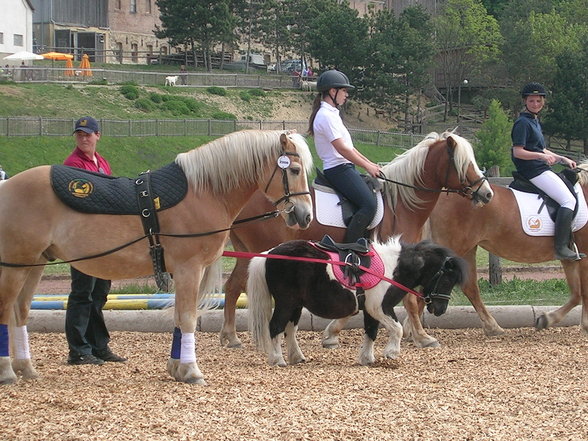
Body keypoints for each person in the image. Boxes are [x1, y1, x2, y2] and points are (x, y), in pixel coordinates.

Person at [64, 116, 127, 365]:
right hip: (83, 238)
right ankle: (78, 349)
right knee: (82, 292)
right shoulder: (74, 164)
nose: (83, 138)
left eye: (87, 134)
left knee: (99, 292)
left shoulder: (101, 163)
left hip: (102, 237)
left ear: (98, 135)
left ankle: (98, 345)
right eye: (80, 134)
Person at [511, 82, 584, 261]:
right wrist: (541, 157)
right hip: (532, 171)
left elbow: (542, 148)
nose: (535, 104)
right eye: (531, 100)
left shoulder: (534, 121)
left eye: (538, 100)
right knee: (567, 200)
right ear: (525, 101)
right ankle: (561, 248)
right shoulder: (522, 123)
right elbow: (518, 151)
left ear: (543, 101)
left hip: (540, 167)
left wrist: (561, 158)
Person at [308, 69, 382, 243]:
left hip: (345, 167)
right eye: (344, 91)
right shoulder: (325, 116)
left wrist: (370, 163)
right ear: (333, 92)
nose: (346, 95)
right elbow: (342, 149)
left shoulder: (333, 114)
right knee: (369, 205)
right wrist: (367, 166)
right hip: (338, 169)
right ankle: (351, 249)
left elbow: (350, 148)